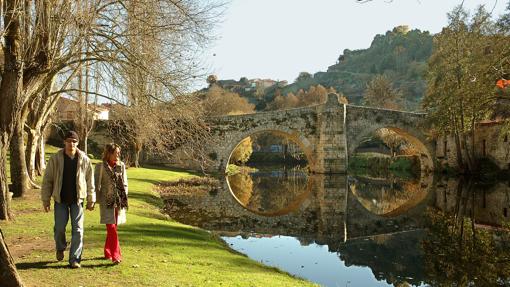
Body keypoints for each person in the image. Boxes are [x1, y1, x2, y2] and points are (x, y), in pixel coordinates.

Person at [41, 130, 95, 269]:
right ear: (64, 142)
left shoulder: (84, 159)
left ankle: (75, 259)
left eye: (74, 141)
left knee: (78, 230)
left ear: (77, 143)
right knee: (59, 228)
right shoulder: (56, 158)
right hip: (60, 200)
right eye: (69, 141)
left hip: (78, 200)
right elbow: (48, 180)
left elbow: (90, 180)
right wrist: (45, 199)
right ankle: (60, 247)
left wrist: (91, 198)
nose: (71, 144)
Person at [95, 143, 128, 264]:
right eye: (116, 153)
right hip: (106, 201)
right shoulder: (101, 166)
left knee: (113, 228)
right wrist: (93, 200)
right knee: (111, 227)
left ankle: (107, 251)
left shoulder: (121, 165)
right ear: (109, 153)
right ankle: (116, 255)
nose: (118, 155)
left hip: (119, 201)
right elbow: (95, 184)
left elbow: (124, 183)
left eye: (119, 153)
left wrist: (124, 197)